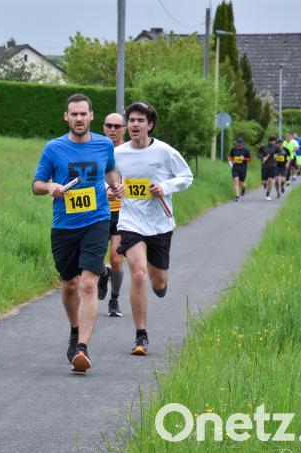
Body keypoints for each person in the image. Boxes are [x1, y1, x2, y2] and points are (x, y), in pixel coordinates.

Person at [32, 94, 119, 373]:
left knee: (88, 285)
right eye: (74, 114)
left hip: (97, 220)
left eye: (84, 114)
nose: (79, 119)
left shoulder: (105, 144)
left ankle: (82, 348)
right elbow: (36, 184)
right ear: (66, 117)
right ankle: (74, 329)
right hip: (64, 226)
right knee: (69, 284)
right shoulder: (53, 148)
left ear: (92, 116)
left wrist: (115, 185)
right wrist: (50, 187)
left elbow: (110, 172)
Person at [113, 102, 193, 356]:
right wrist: (115, 189)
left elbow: (186, 177)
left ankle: (160, 283)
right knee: (138, 274)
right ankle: (141, 336)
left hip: (159, 223)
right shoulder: (118, 154)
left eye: (140, 121)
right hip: (130, 221)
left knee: (157, 282)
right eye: (131, 120)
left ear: (150, 125)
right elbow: (111, 182)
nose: (134, 125)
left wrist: (165, 187)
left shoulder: (165, 152)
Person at [97, 112, 126, 317]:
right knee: (95, 258)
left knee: (116, 259)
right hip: (97, 212)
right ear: (103, 127)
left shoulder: (129, 152)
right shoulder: (95, 150)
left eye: (117, 126)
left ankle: (114, 300)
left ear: (124, 128)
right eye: (109, 125)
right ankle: (102, 273)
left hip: (121, 213)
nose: (113, 129)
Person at [257, 136, 280, 201]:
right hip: (264, 166)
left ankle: (268, 194)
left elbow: (282, 152)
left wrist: (277, 154)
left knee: (270, 180)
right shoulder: (263, 147)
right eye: (273, 141)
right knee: (264, 182)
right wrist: (262, 158)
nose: (274, 142)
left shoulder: (276, 147)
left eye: (275, 141)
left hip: (273, 166)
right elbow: (258, 154)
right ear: (270, 141)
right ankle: (264, 184)